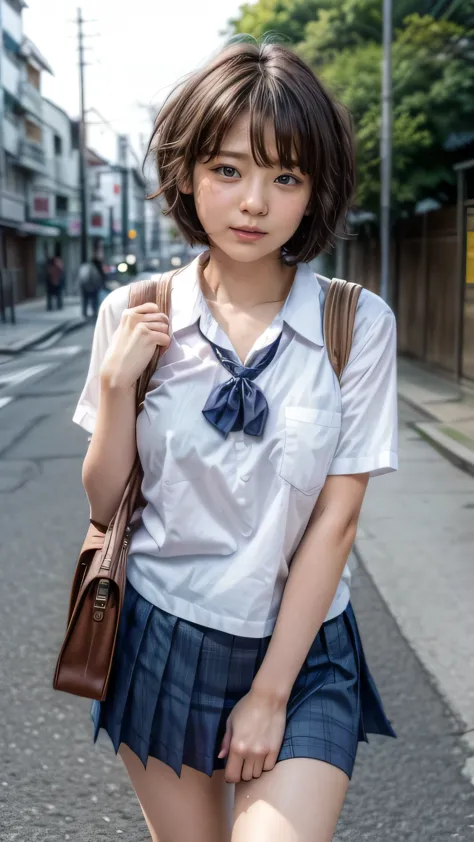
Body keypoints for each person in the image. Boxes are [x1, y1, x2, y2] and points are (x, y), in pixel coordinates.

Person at [73, 41, 398, 842]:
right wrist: (118, 388)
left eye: (284, 176)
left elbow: (337, 521)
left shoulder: (354, 326)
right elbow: (106, 500)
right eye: (227, 170)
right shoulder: (133, 311)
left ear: (314, 190)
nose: (253, 202)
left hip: (304, 646)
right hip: (161, 633)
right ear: (187, 175)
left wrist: (270, 692)